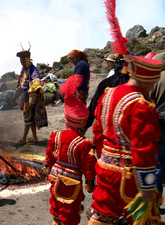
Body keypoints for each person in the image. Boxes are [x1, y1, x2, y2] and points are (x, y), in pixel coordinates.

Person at [89, 0, 163, 223]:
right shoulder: (142, 105)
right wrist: (149, 187)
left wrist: (99, 160)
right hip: (127, 177)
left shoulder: (109, 93)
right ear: (148, 80)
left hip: (105, 169)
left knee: (102, 217)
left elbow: (99, 132)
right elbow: (143, 151)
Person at [45, 74, 96, 225]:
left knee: (56, 207)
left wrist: (48, 166)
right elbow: (88, 165)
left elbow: (49, 155)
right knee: (70, 213)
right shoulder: (84, 143)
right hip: (72, 183)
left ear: (67, 119)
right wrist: (90, 180)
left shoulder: (56, 136)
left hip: (55, 178)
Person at [11, 49, 48, 146]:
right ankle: (35, 138)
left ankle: (23, 139)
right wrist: (15, 96)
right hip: (25, 97)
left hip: (30, 98)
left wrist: (32, 101)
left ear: (27, 60)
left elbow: (36, 85)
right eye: (21, 61)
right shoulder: (24, 70)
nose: (22, 63)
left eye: (23, 61)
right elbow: (21, 84)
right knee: (30, 119)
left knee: (27, 118)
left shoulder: (33, 70)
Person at [83, 54, 129, 131]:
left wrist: (85, 125)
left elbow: (94, 104)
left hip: (110, 128)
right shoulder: (136, 84)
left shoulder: (105, 83)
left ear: (116, 64)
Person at [149, 52, 165, 200]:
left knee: (158, 164)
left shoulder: (156, 79)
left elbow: (149, 101)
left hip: (160, 125)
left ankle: (155, 201)